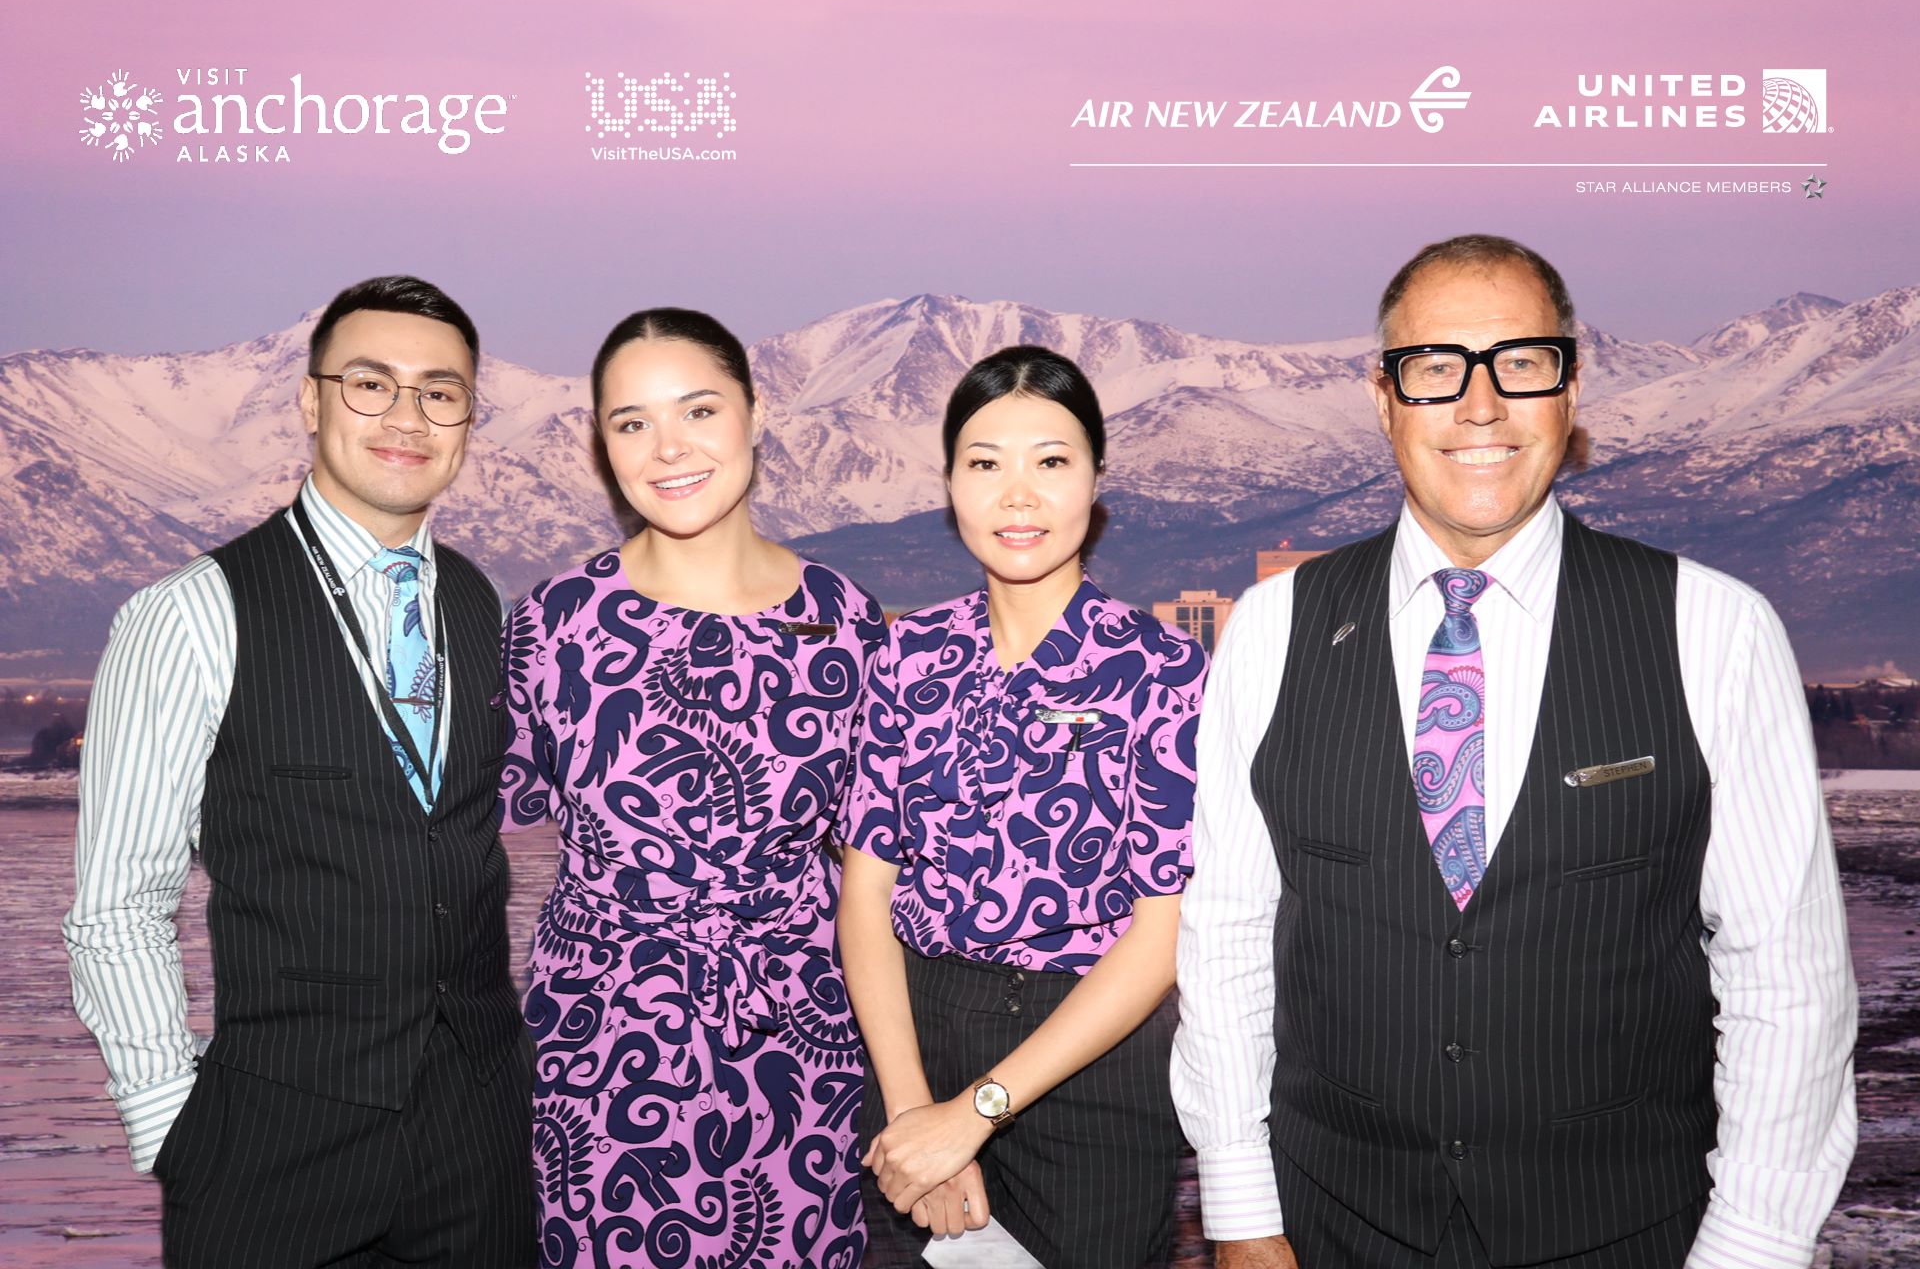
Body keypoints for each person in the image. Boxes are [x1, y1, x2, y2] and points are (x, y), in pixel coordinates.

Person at [1172, 234, 1858, 1269]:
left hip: (1630, 1232)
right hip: (1329, 1228)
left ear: (1570, 390)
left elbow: (1787, 981)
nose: (1480, 405)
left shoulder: (1715, 629)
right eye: (1436, 367)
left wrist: (1752, 1246)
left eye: (1521, 363)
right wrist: (1242, 1210)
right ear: (1384, 398)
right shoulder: (1272, 629)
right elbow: (1229, 938)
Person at [63, 275, 535, 1266]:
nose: (407, 415)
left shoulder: (483, 602)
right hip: (273, 1148)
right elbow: (118, 905)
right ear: (312, 403)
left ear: (467, 420)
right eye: (370, 383)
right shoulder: (189, 613)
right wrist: (171, 1126)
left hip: (479, 1146)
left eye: (440, 392)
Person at [500, 308, 884, 1269]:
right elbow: (465, 836)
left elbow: (881, 869)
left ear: (757, 414)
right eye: (631, 423)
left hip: (803, 1036)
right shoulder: (553, 624)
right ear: (602, 446)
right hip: (602, 1038)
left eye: (699, 410)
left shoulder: (848, 621)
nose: (667, 447)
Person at [840, 346, 1208, 1268]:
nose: (1018, 496)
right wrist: (913, 1110)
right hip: (915, 1038)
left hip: (1090, 1061)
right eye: (984, 463)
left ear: (1096, 479)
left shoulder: (1162, 670)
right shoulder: (908, 657)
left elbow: (1163, 930)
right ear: (949, 485)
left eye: (1050, 461)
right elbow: (866, 894)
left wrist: (974, 1114)